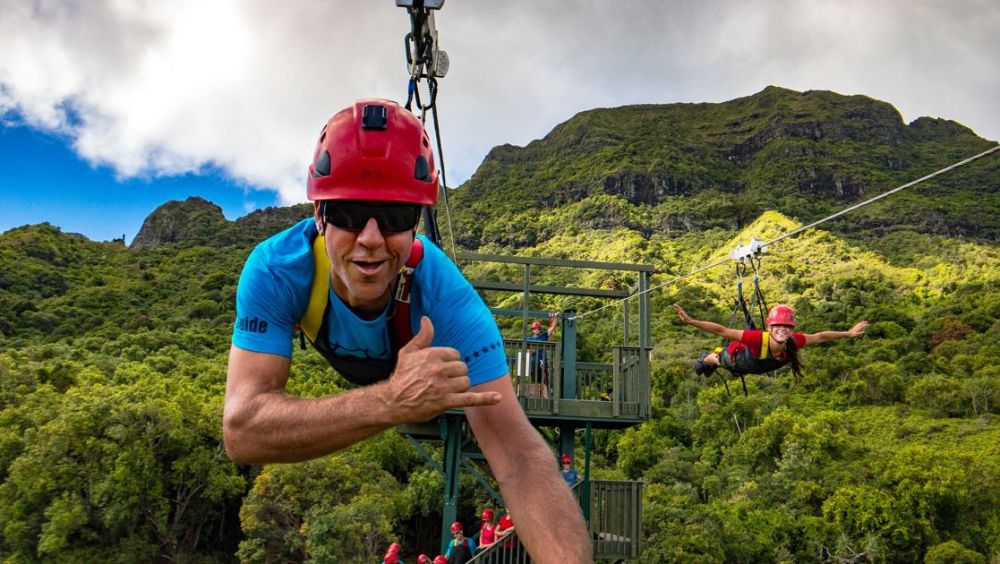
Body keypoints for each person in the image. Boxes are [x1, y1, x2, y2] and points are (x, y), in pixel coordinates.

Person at [223, 99, 591, 563]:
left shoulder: (448, 301)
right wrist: (392, 401)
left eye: (395, 216)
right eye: (350, 214)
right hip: (391, 380)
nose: (372, 238)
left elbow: (518, 454)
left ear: (416, 224)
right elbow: (242, 433)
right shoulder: (278, 271)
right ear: (319, 215)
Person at [673, 303, 868, 379]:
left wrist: (848, 334)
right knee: (714, 360)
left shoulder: (793, 341)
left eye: (787, 327)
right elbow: (722, 330)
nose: (783, 330)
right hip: (737, 360)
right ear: (770, 327)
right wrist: (691, 322)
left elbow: (820, 337)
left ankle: (726, 368)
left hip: (752, 367)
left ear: (792, 329)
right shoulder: (756, 338)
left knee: (738, 371)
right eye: (778, 326)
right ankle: (704, 359)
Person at [526, 314, 558, 397]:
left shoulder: (543, 336)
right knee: (534, 381)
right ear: (532, 330)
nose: (536, 330)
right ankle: (536, 398)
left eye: (538, 328)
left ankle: (545, 398)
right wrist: (539, 347)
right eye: (534, 328)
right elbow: (529, 351)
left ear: (540, 329)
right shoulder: (529, 339)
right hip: (533, 363)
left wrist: (555, 317)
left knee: (544, 381)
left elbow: (553, 327)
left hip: (543, 362)